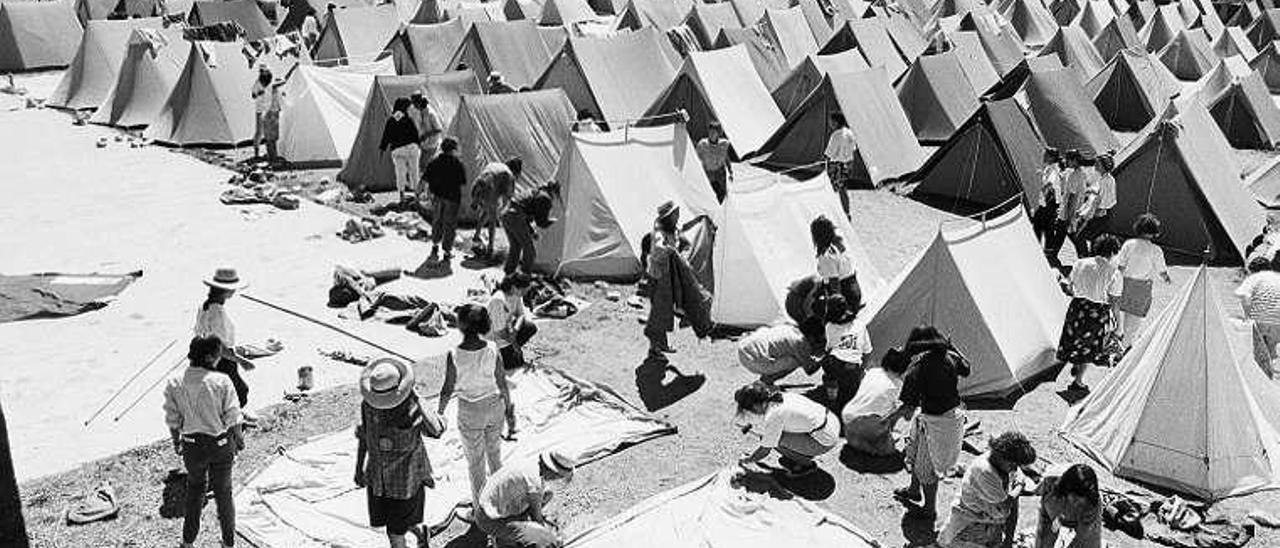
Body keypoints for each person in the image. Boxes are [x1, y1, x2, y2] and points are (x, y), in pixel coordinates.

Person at [164, 336, 244, 548]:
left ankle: (188, 542)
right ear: (209, 357)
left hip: (192, 445)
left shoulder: (174, 383)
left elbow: (173, 420)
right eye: (218, 355)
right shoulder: (222, 381)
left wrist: (176, 442)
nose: (219, 359)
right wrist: (239, 439)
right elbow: (233, 417)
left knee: (195, 491)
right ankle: (228, 543)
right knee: (223, 494)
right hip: (219, 444)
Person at [886, 325, 970, 520]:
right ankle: (914, 490)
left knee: (926, 469)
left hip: (938, 423)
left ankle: (929, 509)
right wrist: (952, 346)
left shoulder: (918, 368)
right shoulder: (950, 357)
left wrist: (889, 420)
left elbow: (907, 409)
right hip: (944, 417)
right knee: (915, 452)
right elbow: (967, 368)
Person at [438, 304, 516, 509]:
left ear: (460, 326)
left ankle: (482, 509)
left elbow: (447, 388)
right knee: (495, 456)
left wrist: (439, 413)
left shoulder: (454, 354)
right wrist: (509, 412)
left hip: (469, 411)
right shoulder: (492, 348)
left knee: (475, 463)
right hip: (494, 407)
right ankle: (501, 501)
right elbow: (502, 383)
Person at [354, 357, 436, 548]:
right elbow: (365, 436)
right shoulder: (368, 407)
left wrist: (417, 397)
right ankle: (420, 533)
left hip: (406, 482)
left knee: (394, 534)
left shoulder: (413, 408)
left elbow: (437, 429)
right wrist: (359, 468)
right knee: (393, 523)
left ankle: (411, 537)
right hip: (378, 480)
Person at [937, 432, 1039, 548]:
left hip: (989, 519)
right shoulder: (985, 472)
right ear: (1002, 457)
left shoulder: (1005, 466)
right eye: (1013, 464)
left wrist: (1009, 539)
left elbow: (1012, 507)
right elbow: (1005, 505)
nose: (1015, 468)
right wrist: (1019, 487)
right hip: (970, 518)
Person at [1057, 234, 1123, 392]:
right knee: (1090, 346)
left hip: (1077, 306)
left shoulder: (1080, 263)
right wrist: (1118, 326)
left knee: (1074, 337)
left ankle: (1075, 362)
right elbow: (1115, 302)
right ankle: (1078, 381)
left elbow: (1069, 285)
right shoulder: (1114, 273)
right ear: (1113, 252)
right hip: (1097, 311)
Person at [734, 382, 841, 477]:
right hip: (832, 422)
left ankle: (805, 464)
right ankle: (801, 453)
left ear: (756, 405)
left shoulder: (774, 415)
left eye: (750, 409)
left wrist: (748, 460)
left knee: (770, 439)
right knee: (772, 434)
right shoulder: (779, 396)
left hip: (825, 441)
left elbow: (765, 450)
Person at [475, 450, 577, 548]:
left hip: (487, 506)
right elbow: (537, 519)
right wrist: (551, 536)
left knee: (547, 494)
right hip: (490, 520)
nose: (556, 479)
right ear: (553, 472)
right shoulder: (534, 482)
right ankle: (502, 537)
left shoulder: (532, 464)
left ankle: (512, 532)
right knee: (545, 540)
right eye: (558, 476)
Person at [194, 268, 254, 424]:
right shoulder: (218, 312)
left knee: (221, 392)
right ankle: (227, 424)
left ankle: (222, 421)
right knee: (239, 392)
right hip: (222, 359)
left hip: (206, 358)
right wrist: (241, 360)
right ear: (225, 291)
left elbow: (201, 334)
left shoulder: (205, 307)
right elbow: (219, 346)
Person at [1114, 214, 1171, 348]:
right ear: (1154, 232)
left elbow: (1120, 265)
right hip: (1142, 288)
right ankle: (1125, 346)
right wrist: (1167, 279)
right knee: (1134, 320)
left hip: (1124, 283)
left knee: (1120, 314)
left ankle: (1117, 339)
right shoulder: (1156, 250)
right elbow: (1161, 270)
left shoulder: (1128, 244)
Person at [841, 347, 909, 456]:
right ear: (904, 369)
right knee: (888, 450)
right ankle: (872, 442)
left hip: (847, 417)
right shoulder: (898, 385)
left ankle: (860, 439)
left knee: (879, 404)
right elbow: (902, 412)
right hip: (866, 424)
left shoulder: (872, 372)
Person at [816, 293, 871, 408]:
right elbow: (867, 352)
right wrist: (861, 371)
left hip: (836, 366)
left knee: (827, 362)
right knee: (849, 395)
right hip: (854, 370)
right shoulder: (860, 324)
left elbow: (829, 348)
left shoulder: (830, 326)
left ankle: (832, 396)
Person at [736, 317, 827, 384]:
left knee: (787, 353)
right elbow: (809, 370)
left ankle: (767, 377)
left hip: (744, 346)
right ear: (811, 336)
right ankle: (766, 381)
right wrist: (825, 356)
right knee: (795, 361)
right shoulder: (801, 342)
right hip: (752, 358)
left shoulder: (790, 327)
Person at [1035, 464, 1102, 548]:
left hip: (1078, 521)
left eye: (1081, 501)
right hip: (1053, 513)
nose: (1076, 503)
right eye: (1075, 498)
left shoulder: (1092, 504)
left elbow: (1084, 540)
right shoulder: (1050, 485)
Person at [1236, 254, 1280, 378]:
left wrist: (1248, 317)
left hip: (1261, 320)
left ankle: (1265, 378)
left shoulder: (1253, 280)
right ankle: (1274, 372)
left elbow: (1245, 299)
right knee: (1271, 349)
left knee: (1260, 352)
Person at [471, 158, 523, 258]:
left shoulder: (496, 165)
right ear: (516, 171)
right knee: (492, 218)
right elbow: (508, 199)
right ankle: (490, 248)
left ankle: (476, 236)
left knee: (486, 212)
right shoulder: (508, 175)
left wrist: (477, 200)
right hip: (488, 189)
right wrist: (503, 212)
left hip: (476, 186)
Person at [424, 137, 466, 261]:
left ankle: (435, 245)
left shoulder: (434, 161)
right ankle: (447, 251)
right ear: (453, 149)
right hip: (452, 198)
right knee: (450, 224)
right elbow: (462, 181)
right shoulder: (458, 163)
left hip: (437, 196)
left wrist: (424, 192)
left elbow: (426, 178)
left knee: (437, 220)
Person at [488, 273, 539, 370]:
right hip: (495, 337)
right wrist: (514, 344)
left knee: (530, 327)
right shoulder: (498, 300)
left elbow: (521, 315)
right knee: (513, 365)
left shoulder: (516, 295)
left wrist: (515, 330)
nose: (525, 293)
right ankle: (506, 353)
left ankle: (512, 351)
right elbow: (500, 331)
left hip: (508, 330)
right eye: (523, 290)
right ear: (514, 287)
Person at [501, 185, 555, 275]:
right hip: (515, 216)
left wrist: (532, 231)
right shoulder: (545, 197)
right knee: (530, 251)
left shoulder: (533, 192)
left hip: (506, 213)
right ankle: (524, 277)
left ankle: (508, 274)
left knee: (515, 247)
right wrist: (551, 222)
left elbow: (524, 211)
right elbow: (541, 222)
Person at [811, 215, 861, 310]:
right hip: (855, 291)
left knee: (813, 304)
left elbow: (834, 283)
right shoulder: (840, 244)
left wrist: (837, 305)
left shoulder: (826, 257)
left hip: (846, 295)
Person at [1070, 155, 1116, 257]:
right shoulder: (1104, 179)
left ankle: (1084, 258)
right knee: (1093, 240)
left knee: (1079, 237)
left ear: (1103, 166)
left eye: (1097, 164)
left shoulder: (1106, 181)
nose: (1095, 165)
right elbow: (1094, 195)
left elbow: (1102, 201)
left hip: (1098, 215)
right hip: (1096, 214)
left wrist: (1089, 215)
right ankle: (1088, 260)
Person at [379, 97, 421, 203]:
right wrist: (418, 145)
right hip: (412, 149)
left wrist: (382, 149)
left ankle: (402, 197)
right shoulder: (408, 119)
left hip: (398, 151)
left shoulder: (391, 120)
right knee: (414, 172)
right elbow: (415, 134)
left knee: (400, 173)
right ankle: (416, 196)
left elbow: (386, 136)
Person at [823, 112, 857, 219]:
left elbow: (830, 152)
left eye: (831, 122)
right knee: (843, 189)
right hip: (848, 165)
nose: (830, 124)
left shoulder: (836, 135)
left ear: (836, 122)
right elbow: (853, 149)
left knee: (830, 189)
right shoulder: (851, 133)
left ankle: (830, 213)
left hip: (837, 165)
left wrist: (824, 161)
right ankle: (846, 212)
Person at [1057, 151, 1090, 257]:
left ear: (1075, 161)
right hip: (1075, 209)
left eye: (1068, 160)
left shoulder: (1074, 175)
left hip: (1069, 211)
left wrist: (1069, 216)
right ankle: (1053, 252)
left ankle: (1083, 254)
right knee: (1063, 232)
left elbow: (1072, 197)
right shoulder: (1082, 173)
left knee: (1071, 234)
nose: (1066, 162)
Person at [251, 66, 284, 163]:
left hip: (268, 111)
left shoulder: (269, 83)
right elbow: (253, 95)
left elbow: (280, 83)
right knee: (260, 133)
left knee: (268, 134)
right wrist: (258, 94)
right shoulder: (258, 84)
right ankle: (257, 154)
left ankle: (270, 154)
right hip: (261, 111)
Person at [695, 121, 733, 202]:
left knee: (722, 197)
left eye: (714, 132)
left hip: (720, 173)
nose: (711, 134)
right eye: (710, 131)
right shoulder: (702, 144)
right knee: (710, 196)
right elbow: (696, 159)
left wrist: (730, 171)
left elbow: (726, 158)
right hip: (708, 173)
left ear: (718, 133)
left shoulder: (724, 144)